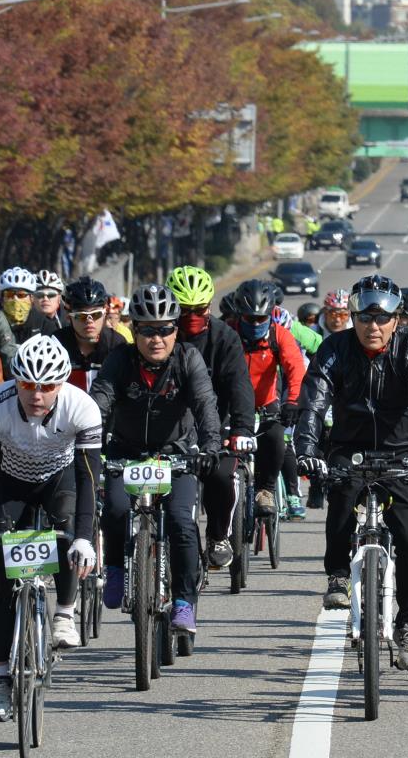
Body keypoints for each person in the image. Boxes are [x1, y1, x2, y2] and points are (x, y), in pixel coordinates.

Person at [296, 275, 408, 671]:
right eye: (364, 318)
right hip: (350, 452)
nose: (373, 327)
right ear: (353, 317)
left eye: (383, 319)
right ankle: (338, 576)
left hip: (402, 455)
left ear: (398, 320)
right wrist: (308, 451)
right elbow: (313, 403)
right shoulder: (334, 348)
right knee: (341, 507)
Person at [0, 334, 101, 721]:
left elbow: (89, 476)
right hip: (8, 483)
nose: (36, 395)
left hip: (60, 479)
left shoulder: (83, 407)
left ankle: (64, 613)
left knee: (68, 539)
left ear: (62, 384)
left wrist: (85, 539)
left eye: (46, 386)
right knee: (6, 582)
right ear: (15, 381)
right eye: (27, 385)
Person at [90, 284, 220, 638]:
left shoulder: (189, 359)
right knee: (115, 509)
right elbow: (99, 402)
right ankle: (115, 566)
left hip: (176, 453)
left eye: (165, 329)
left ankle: (183, 601)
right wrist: (88, 439)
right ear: (134, 331)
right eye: (147, 329)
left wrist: (210, 446)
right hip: (126, 453)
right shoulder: (119, 360)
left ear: (176, 330)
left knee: (181, 522)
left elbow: (206, 405)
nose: (157, 338)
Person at [165, 265, 255, 571]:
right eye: (183, 310)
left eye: (198, 309)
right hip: (171, 427)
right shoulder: (159, 336)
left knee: (220, 476)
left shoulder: (225, 338)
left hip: (218, 422)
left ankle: (218, 535)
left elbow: (240, 385)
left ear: (209, 306)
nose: (191, 316)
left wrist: (241, 428)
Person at [225, 280, 306, 519]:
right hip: (233, 405)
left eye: (262, 318)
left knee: (276, 438)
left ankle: (266, 490)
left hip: (267, 402)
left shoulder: (279, 336)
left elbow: (295, 370)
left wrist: (292, 401)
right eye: (250, 319)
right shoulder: (228, 334)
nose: (257, 323)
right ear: (240, 315)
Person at [52, 275, 124, 390]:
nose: (89, 321)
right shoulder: (56, 343)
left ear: (105, 313)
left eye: (96, 314)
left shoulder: (117, 344)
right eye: (81, 316)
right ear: (68, 316)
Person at [0, 267, 55, 345]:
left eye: (21, 295)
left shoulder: (43, 324)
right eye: (9, 295)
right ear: (2, 300)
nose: (15, 300)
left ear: (31, 298)